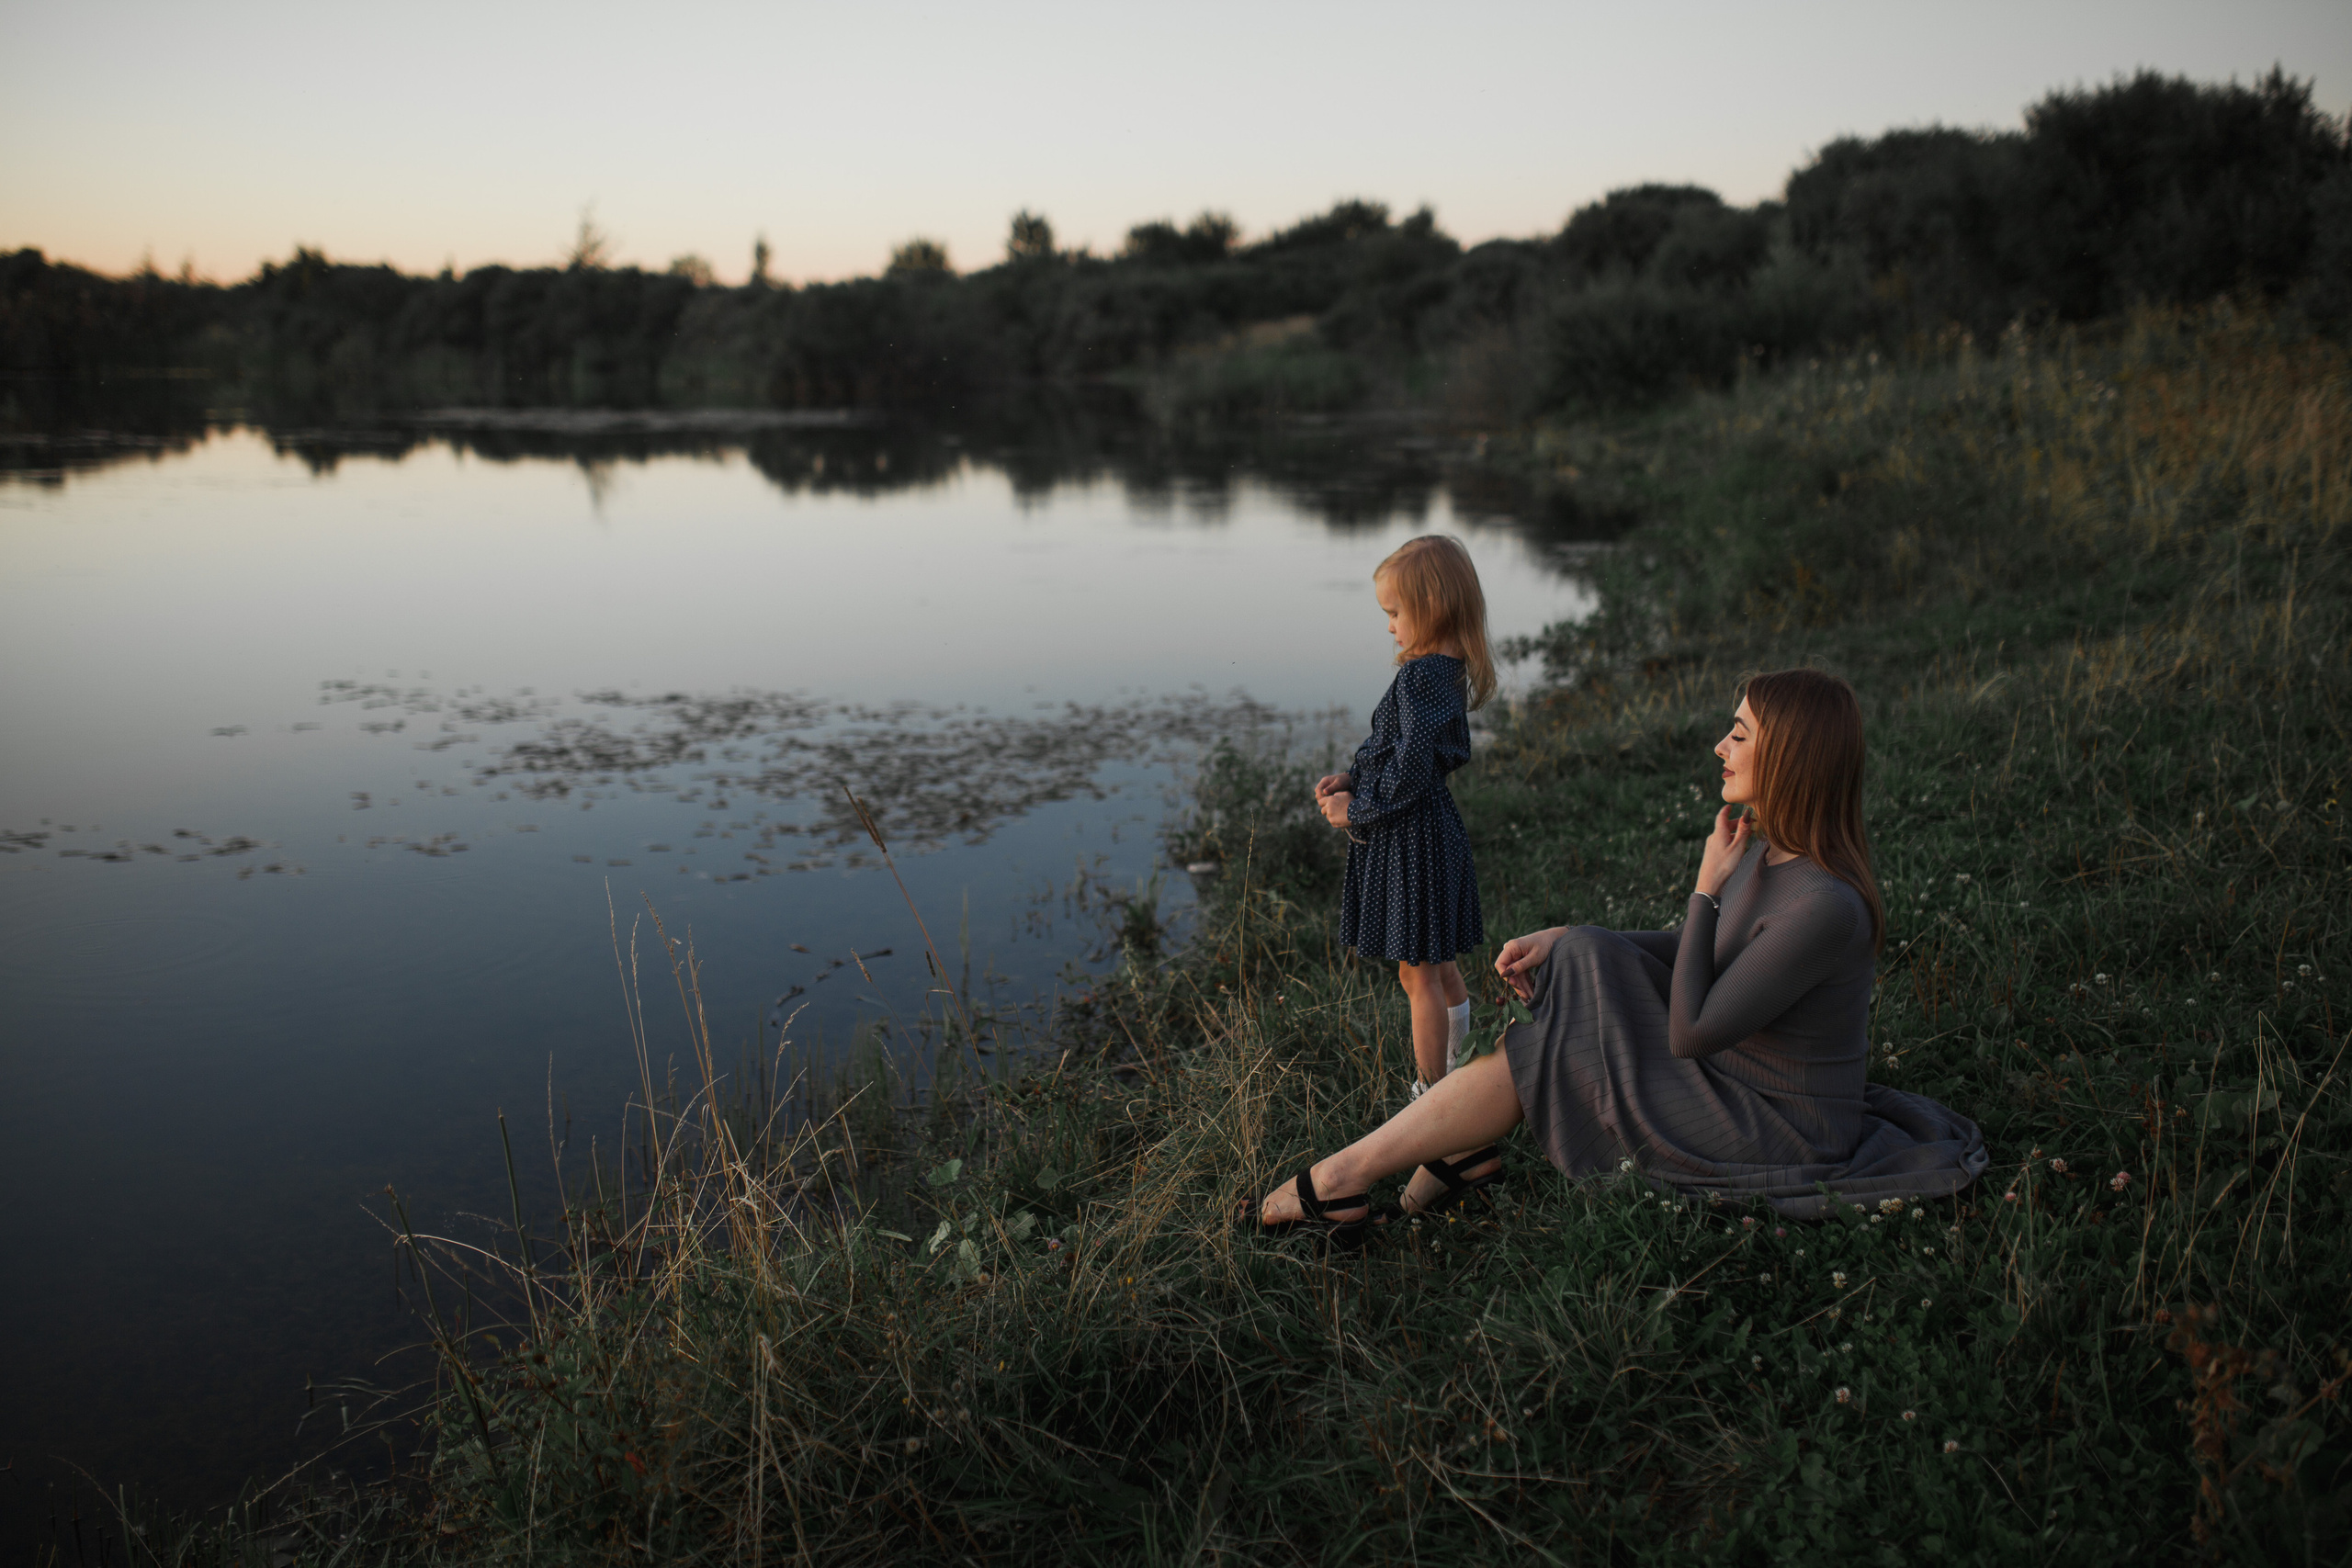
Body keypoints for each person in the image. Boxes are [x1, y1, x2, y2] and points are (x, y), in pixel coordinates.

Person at [1258, 668, 1987, 1247]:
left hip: (1777, 1125)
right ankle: (1370, 1173)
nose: (1719, 748)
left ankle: (1355, 1177)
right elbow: (1701, 955)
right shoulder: (1773, 854)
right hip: (1730, 1078)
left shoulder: (1824, 903)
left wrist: (1705, 888)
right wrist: (1572, 937)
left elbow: (1692, 1030)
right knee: (1567, 992)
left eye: (1738, 734)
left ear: (1791, 756)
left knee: (1552, 1039)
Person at [1316, 536, 1496, 1108]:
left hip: (1410, 836)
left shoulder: (1422, 679)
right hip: (1426, 829)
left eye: (1395, 613)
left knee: (1417, 975)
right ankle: (1461, 1066)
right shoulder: (1443, 671)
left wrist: (1356, 811)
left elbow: (1410, 768)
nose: (1390, 626)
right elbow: (1394, 748)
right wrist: (1352, 777)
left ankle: (1431, 1096)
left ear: (1433, 604)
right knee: (1436, 966)